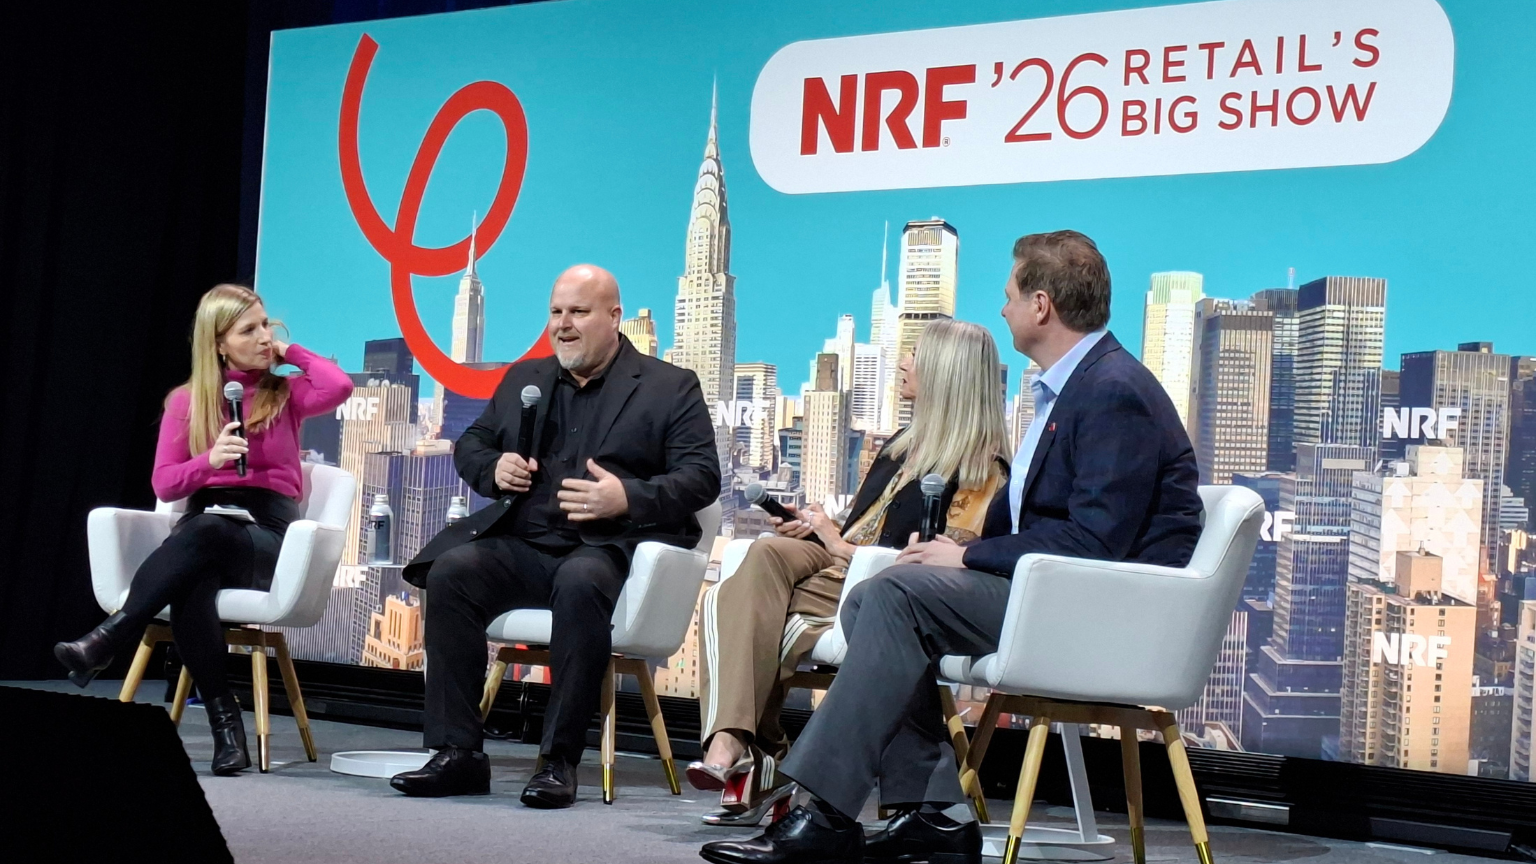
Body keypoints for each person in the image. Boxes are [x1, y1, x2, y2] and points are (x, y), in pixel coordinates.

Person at [699, 230, 1205, 864]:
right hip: (1060, 595)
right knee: (874, 598)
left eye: (1010, 295)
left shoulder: (1112, 391)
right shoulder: (1079, 388)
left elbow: (1093, 541)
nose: (1003, 309)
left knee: (895, 596)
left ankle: (823, 812)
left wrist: (965, 557)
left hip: (1101, 614)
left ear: (1041, 305)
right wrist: (955, 548)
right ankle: (933, 816)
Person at [390, 264, 720, 809]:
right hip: (527, 545)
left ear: (614, 317)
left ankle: (557, 760)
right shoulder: (528, 379)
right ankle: (458, 753)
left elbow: (702, 477)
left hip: (608, 548)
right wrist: (494, 468)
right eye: (555, 312)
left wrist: (625, 497)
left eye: (578, 312)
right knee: (452, 572)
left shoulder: (669, 386)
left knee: (580, 580)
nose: (563, 325)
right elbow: (471, 444)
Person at [691, 319, 1011, 826]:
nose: (903, 364)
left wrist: (840, 544)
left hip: (877, 587)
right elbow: (862, 530)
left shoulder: (982, 468)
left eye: (915, 356)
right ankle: (738, 747)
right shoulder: (899, 445)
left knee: (733, 606)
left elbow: (934, 564)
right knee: (765, 554)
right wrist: (820, 529)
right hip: (838, 566)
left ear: (946, 373)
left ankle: (742, 752)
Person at [54, 284, 353, 776]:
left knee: (204, 536)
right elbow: (164, 484)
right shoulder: (186, 401)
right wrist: (208, 461)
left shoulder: (285, 393)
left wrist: (288, 352)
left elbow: (338, 386)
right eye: (248, 330)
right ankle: (226, 729)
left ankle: (110, 637)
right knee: (194, 575)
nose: (263, 337)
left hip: (266, 537)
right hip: (204, 531)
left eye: (265, 325)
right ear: (218, 343)